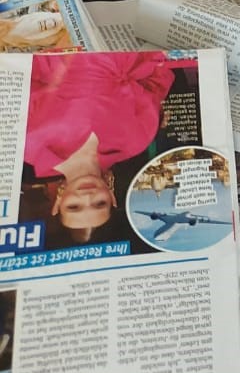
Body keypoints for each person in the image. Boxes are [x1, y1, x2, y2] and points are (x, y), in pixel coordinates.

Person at [23, 52, 175, 243]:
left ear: (58, 203)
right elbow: (156, 79)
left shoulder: (29, 147)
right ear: (112, 198)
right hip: (124, 47)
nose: (87, 197)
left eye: (74, 206)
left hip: (53, 45)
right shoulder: (136, 142)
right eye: (99, 203)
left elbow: (22, 74)